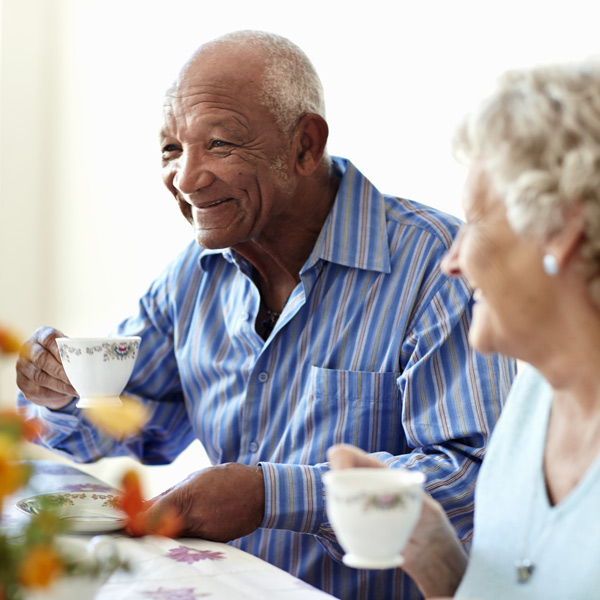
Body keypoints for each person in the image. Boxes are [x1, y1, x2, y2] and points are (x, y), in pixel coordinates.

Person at [15, 30, 515, 599]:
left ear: (304, 145)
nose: (186, 177)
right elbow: (124, 422)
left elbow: (478, 479)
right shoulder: (193, 277)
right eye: (171, 149)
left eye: (220, 144)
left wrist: (268, 495)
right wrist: (55, 393)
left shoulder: (436, 264)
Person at [329, 58, 600, 599]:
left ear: (561, 231)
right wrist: (434, 551)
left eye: (473, 223)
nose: (451, 261)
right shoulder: (530, 397)